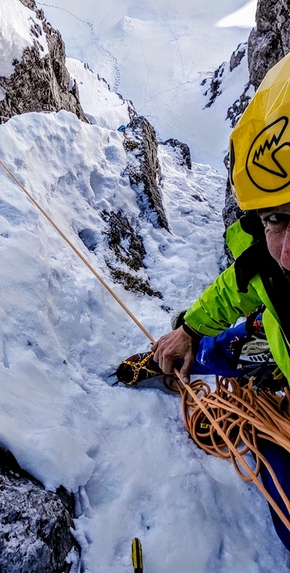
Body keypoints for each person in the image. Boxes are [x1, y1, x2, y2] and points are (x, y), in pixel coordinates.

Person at [151, 51, 290, 550]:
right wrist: (190, 329)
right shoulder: (270, 261)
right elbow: (241, 282)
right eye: (276, 219)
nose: (288, 253)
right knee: (214, 351)